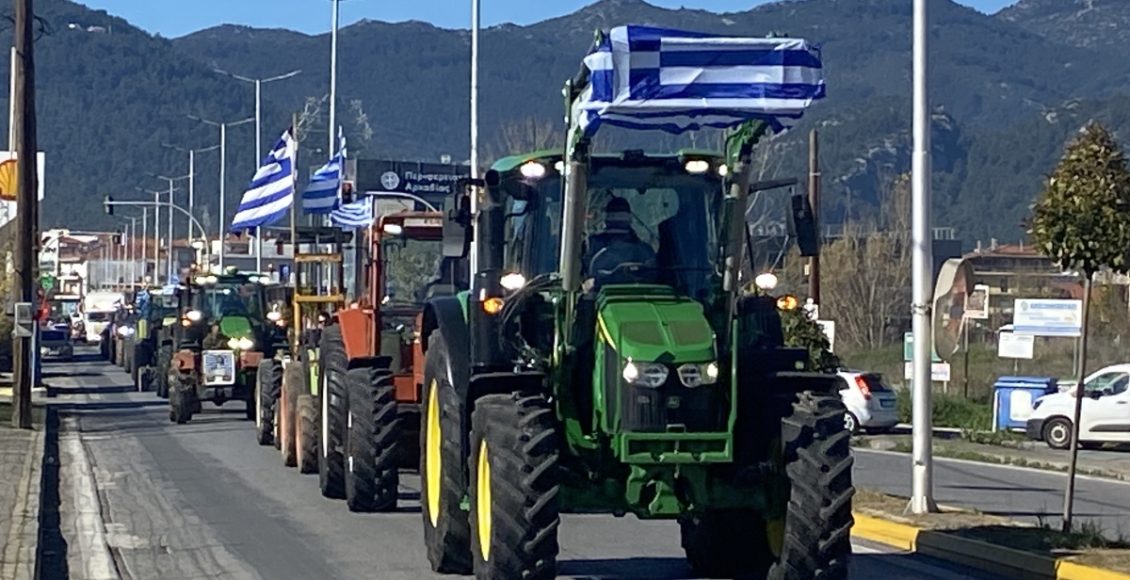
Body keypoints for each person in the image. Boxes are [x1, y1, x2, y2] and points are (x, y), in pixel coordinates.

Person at [581, 197, 657, 290]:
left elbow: (653, 277)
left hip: (642, 295)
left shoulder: (644, 251)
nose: (619, 240)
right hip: (596, 298)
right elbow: (580, 277)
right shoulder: (592, 245)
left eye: (621, 234)